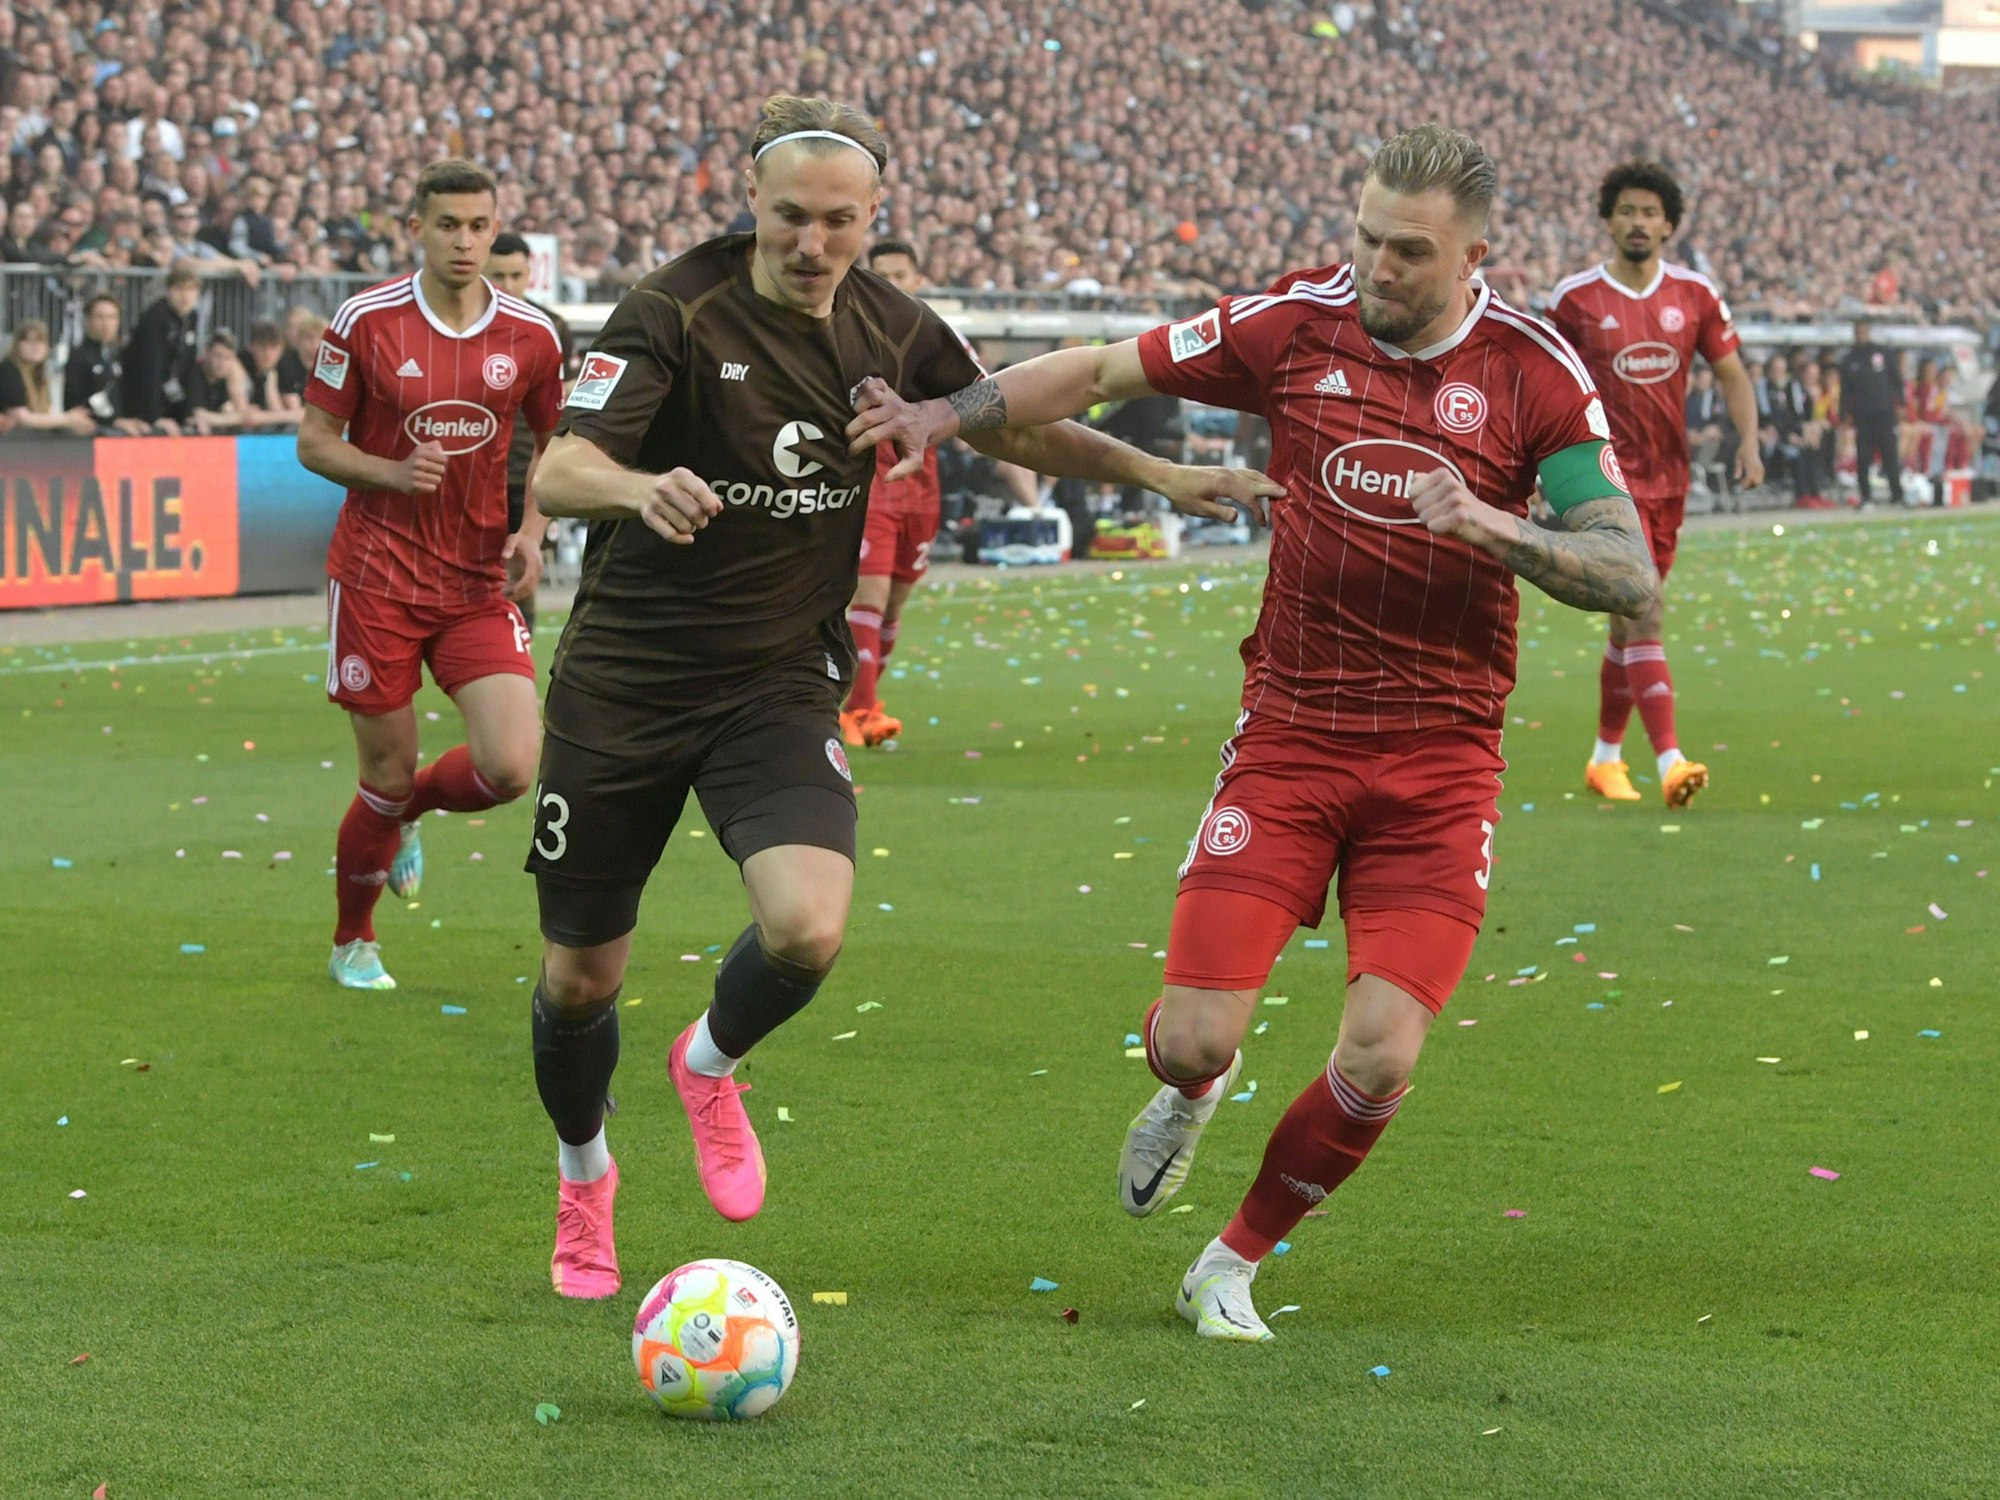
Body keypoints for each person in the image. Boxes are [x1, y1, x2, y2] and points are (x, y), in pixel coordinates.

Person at [850, 123, 1658, 1342]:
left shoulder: (1529, 371)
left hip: (1440, 764)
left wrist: (1498, 530)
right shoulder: (1292, 325)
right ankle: (1196, 1085)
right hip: (1290, 735)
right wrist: (943, 413)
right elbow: (1094, 370)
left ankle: (1229, 1262)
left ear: (1473, 254)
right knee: (1188, 1039)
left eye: (1408, 252)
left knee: (1380, 1059)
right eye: (1365, 240)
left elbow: (1624, 566)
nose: (1377, 271)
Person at [521, 94, 1276, 1300]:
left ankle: (709, 1065)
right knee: (576, 983)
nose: (809, 245)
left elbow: (1015, 430)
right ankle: (584, 1180)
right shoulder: (673, 306)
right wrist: (634, 488)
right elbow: (558, 464)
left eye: (835, 223)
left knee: (807, 928)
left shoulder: (890, 323)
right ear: (748, 207)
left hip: (772, 682)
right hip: (626, 680)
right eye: (786, 219)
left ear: (872, 219)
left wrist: (1156, 469)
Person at [297, 158, 565, 993]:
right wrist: (389, 469)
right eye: (447, 225)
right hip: (375, 579)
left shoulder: (533, 334)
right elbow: (315, 442)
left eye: (478, 225)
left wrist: (533, 528)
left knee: (513, 766)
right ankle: (354, 940)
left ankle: (409, 811)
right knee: (381, 771)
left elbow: (562, 442)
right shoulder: (365, 320)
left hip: (476, 582)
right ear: (416, 225)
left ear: (495, 227)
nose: (464, 241)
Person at [1547, 161, 1761, 809]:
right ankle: (1670, 760)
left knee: (1625, 627)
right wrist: (1537, 469)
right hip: (1600, 481)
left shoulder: (1694, 295)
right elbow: (1544, 384)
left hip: (1670, 483)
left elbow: (1731, 374)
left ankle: (1604, 759)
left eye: (1650, 212)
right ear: (1608, 221)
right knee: (1645, 612)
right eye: (1627, 211)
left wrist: (1747, 439)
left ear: (1668, 225)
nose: (1638, 222)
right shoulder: (1575, 299)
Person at [839, 237, 1038, 747]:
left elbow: (980, 393)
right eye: (882, 273)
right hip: (870, 479)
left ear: (918, 280)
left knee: (895, 602)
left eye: (901, 274)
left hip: (922, 483)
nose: (892, 283)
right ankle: (858, 712)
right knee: (870, 593)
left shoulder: (936, 338)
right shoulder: (848, 333)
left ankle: (865, 704)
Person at [484, 230, 574, 632]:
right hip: (475, 469)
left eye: (516, 276)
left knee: (521, 565)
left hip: (527, 467)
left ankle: (517, 652)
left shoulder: (550, 328)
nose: (507, 286)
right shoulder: (465, 326)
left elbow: (562, 400)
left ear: (529, 275)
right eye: (498, 276)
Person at [123, 261, 204, 432]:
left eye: (191, 290)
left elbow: (188, 367)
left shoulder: (192, 318)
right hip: (139, 397)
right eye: (180, 289)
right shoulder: (156, 318)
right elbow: (150, 368)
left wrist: (191, 411)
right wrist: (154, 417)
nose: (185, 296)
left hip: (169, 391)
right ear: (169, 291)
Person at [62, 293, 156, 436]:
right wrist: (113, 421)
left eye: (112, 317)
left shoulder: (119, 354)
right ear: (88, 320)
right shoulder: (79, 356)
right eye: (100, 317)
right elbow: (76, 403)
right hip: (92, 432)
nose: (106, 323)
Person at [1838, 320, 1903, 506]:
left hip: (1884, 413)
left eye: (1864, 330)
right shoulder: (1849, 360)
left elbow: (1896, 379)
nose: (1861, 334)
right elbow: (1845, 390)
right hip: (1863, 415)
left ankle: (1897, 494)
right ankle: (1866, 496)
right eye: (1858, 331)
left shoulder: (1882, 353)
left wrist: (1901, 403)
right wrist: (1844, 413)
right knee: (1863, 457)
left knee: (1890, 454)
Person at [0, 320, 97, 435]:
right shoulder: (9, 370)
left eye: (40, 341)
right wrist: (67, 419)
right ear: (17, 345)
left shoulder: (39, 375)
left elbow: (46, 412)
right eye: (28, 341)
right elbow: (21, 417)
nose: (35, 347)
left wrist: (70, 418)